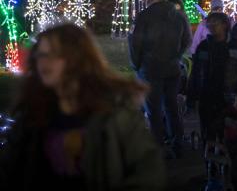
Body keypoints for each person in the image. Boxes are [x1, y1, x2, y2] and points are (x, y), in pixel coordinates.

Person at [0, 24, 166, 189]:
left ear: (77, 58)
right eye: (40, 55)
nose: (44, 61)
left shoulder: (116, 115)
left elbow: (148, 174)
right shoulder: (32, 115)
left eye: (53, 54)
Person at [129, 0, 192, 158]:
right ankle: (177, 141)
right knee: (171, 106)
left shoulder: (144, 16)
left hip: (150, 69)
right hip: (172, 68)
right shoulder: (179, 15)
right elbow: (187, 39)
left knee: (154, 109)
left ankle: (159, 145)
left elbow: (135, 44)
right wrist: (176, 55)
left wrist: (137, 64)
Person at [187, 12, 237, 145]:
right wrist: (192, 95)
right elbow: (196, 72)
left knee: (227, 130)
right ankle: (209, 158)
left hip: (228, 94)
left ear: (225, 25)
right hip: (207, 93)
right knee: (208, 130)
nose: (212, 26)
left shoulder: (235, 45)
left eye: (216, 22)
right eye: (210, 23)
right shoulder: (203, 47)